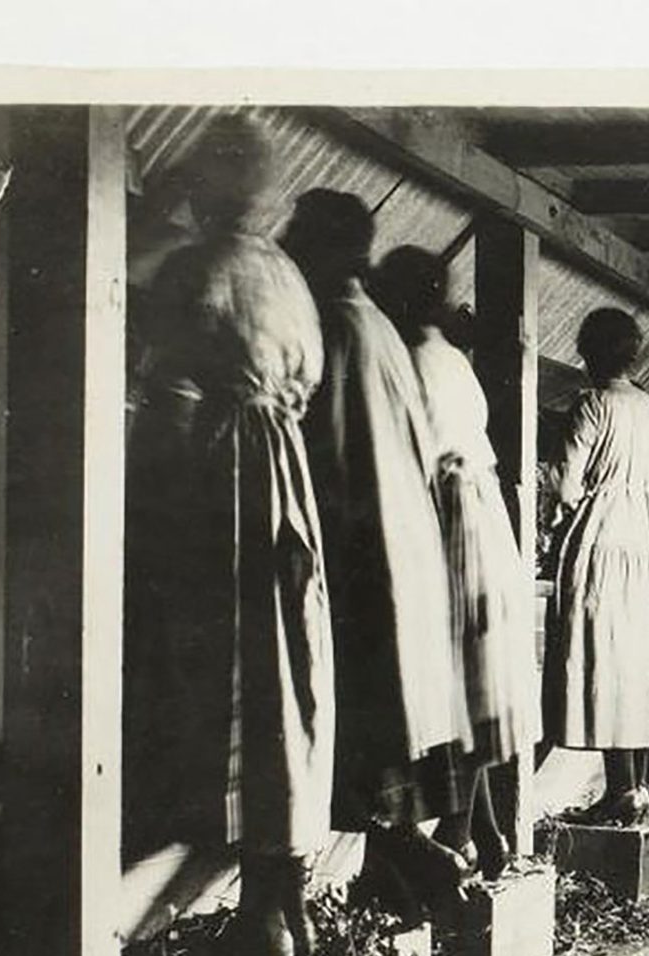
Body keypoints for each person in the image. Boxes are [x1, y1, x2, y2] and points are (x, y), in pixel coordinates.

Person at [125, 117, 334, 956]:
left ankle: (256, 923)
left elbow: (169, 399)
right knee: (283, 679)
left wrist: (148, 513)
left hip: (222, 485)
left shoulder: (198, 269)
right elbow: (308, 383)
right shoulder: (288, 275)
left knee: (232, 679)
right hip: (286, 485)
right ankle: (283, 901)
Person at [281, 192, 474, 918]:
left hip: (361, 548)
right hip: (403, 541)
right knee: (388, 718)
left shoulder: (333, 324)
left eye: (297, 235)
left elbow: (322, 453)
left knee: (353, 721)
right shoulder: (387, 334)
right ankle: (409, 868)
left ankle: (402, 871)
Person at [370, 245, 539, 880]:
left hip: (447, 514)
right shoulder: (451, 358)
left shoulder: (411, 359)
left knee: (458, 679)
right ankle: (484, 833)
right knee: (477, 674)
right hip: (480, 512)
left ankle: (459, 832)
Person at [545, 308, 649, 824]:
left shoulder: (592, 405)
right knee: (636, 665)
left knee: (602, 658)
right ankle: (633, 786)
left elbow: (569, 485)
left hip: (600, 541)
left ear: (588, 353)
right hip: (642, 546)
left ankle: (622, 789)